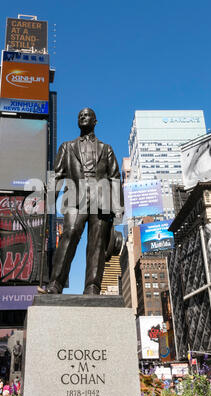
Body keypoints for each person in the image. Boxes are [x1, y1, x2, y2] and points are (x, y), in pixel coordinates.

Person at [46, 108, 124, 295]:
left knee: (97, 243)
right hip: (75, 197)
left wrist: (118, 209)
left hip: (101, 198)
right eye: (80, 115)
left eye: (87, 114)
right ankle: (56, 283)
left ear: (95, 121)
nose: (82, 116)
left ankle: (92, 286)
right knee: (69, 234)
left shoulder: (106, 149)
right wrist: (47, 199)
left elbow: (114, 177)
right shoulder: (67, 147)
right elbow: (57, 174)